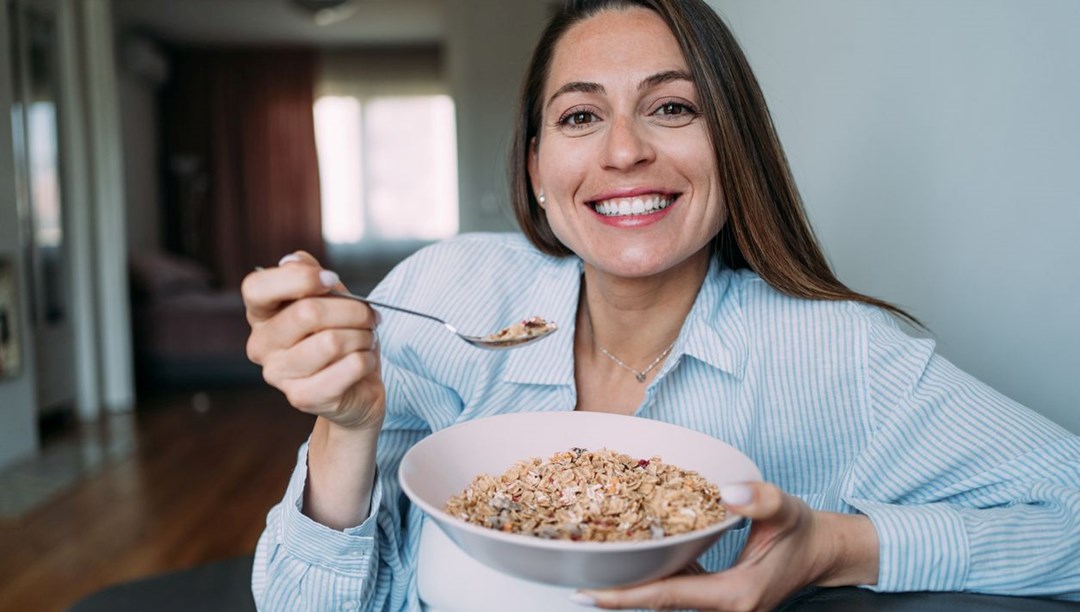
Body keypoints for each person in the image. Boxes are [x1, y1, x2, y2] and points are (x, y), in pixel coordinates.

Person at [243, 0, 1080, 609]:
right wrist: (344, 428)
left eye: (672, 107)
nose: (625, 150)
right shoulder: (446, 292)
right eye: (580, 116)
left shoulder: (838, 354)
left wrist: (833, 548)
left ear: (733, 143)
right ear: (537, 169)